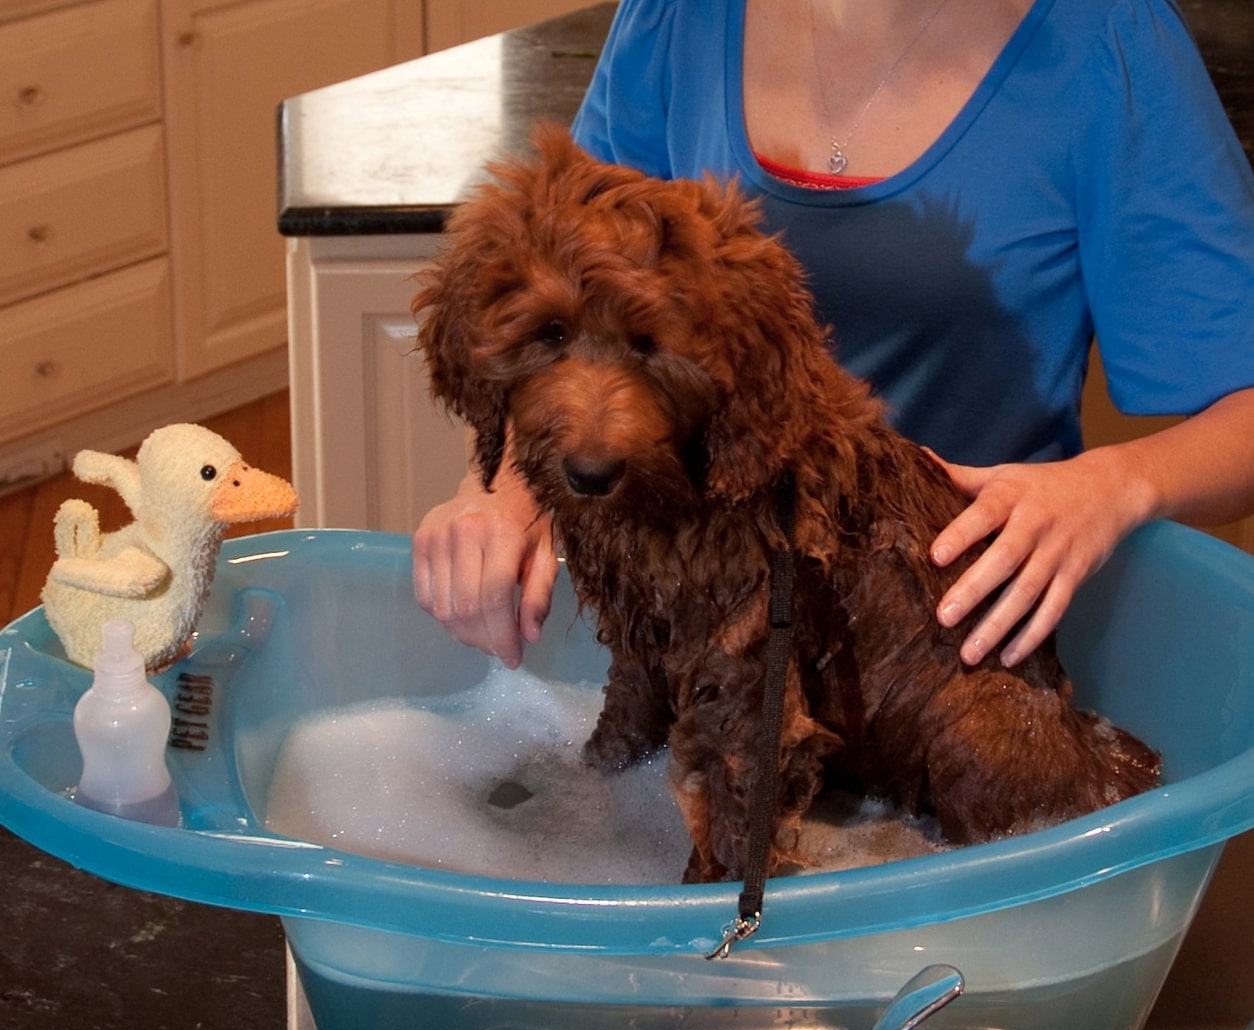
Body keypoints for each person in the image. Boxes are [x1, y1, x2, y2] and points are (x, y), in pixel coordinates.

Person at [413, 0, 1254, 672]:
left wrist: (1111, 484)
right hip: (706, 639)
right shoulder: (676, 18)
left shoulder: (1107, 44)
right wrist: (496, 495)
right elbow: (566, 315)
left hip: (950, 651)